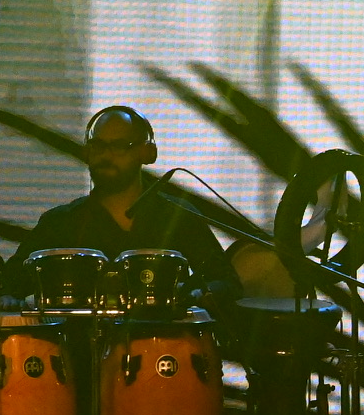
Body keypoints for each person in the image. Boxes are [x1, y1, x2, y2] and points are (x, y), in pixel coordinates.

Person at [19, 104, 287, 301]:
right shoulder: (61, 221)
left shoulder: (177, 216)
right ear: (88, 152)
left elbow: (226, 283)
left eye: (119, 146)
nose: (106, 155)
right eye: (99, 146)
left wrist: (195, 294)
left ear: (147, 153)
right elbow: (10, 285)